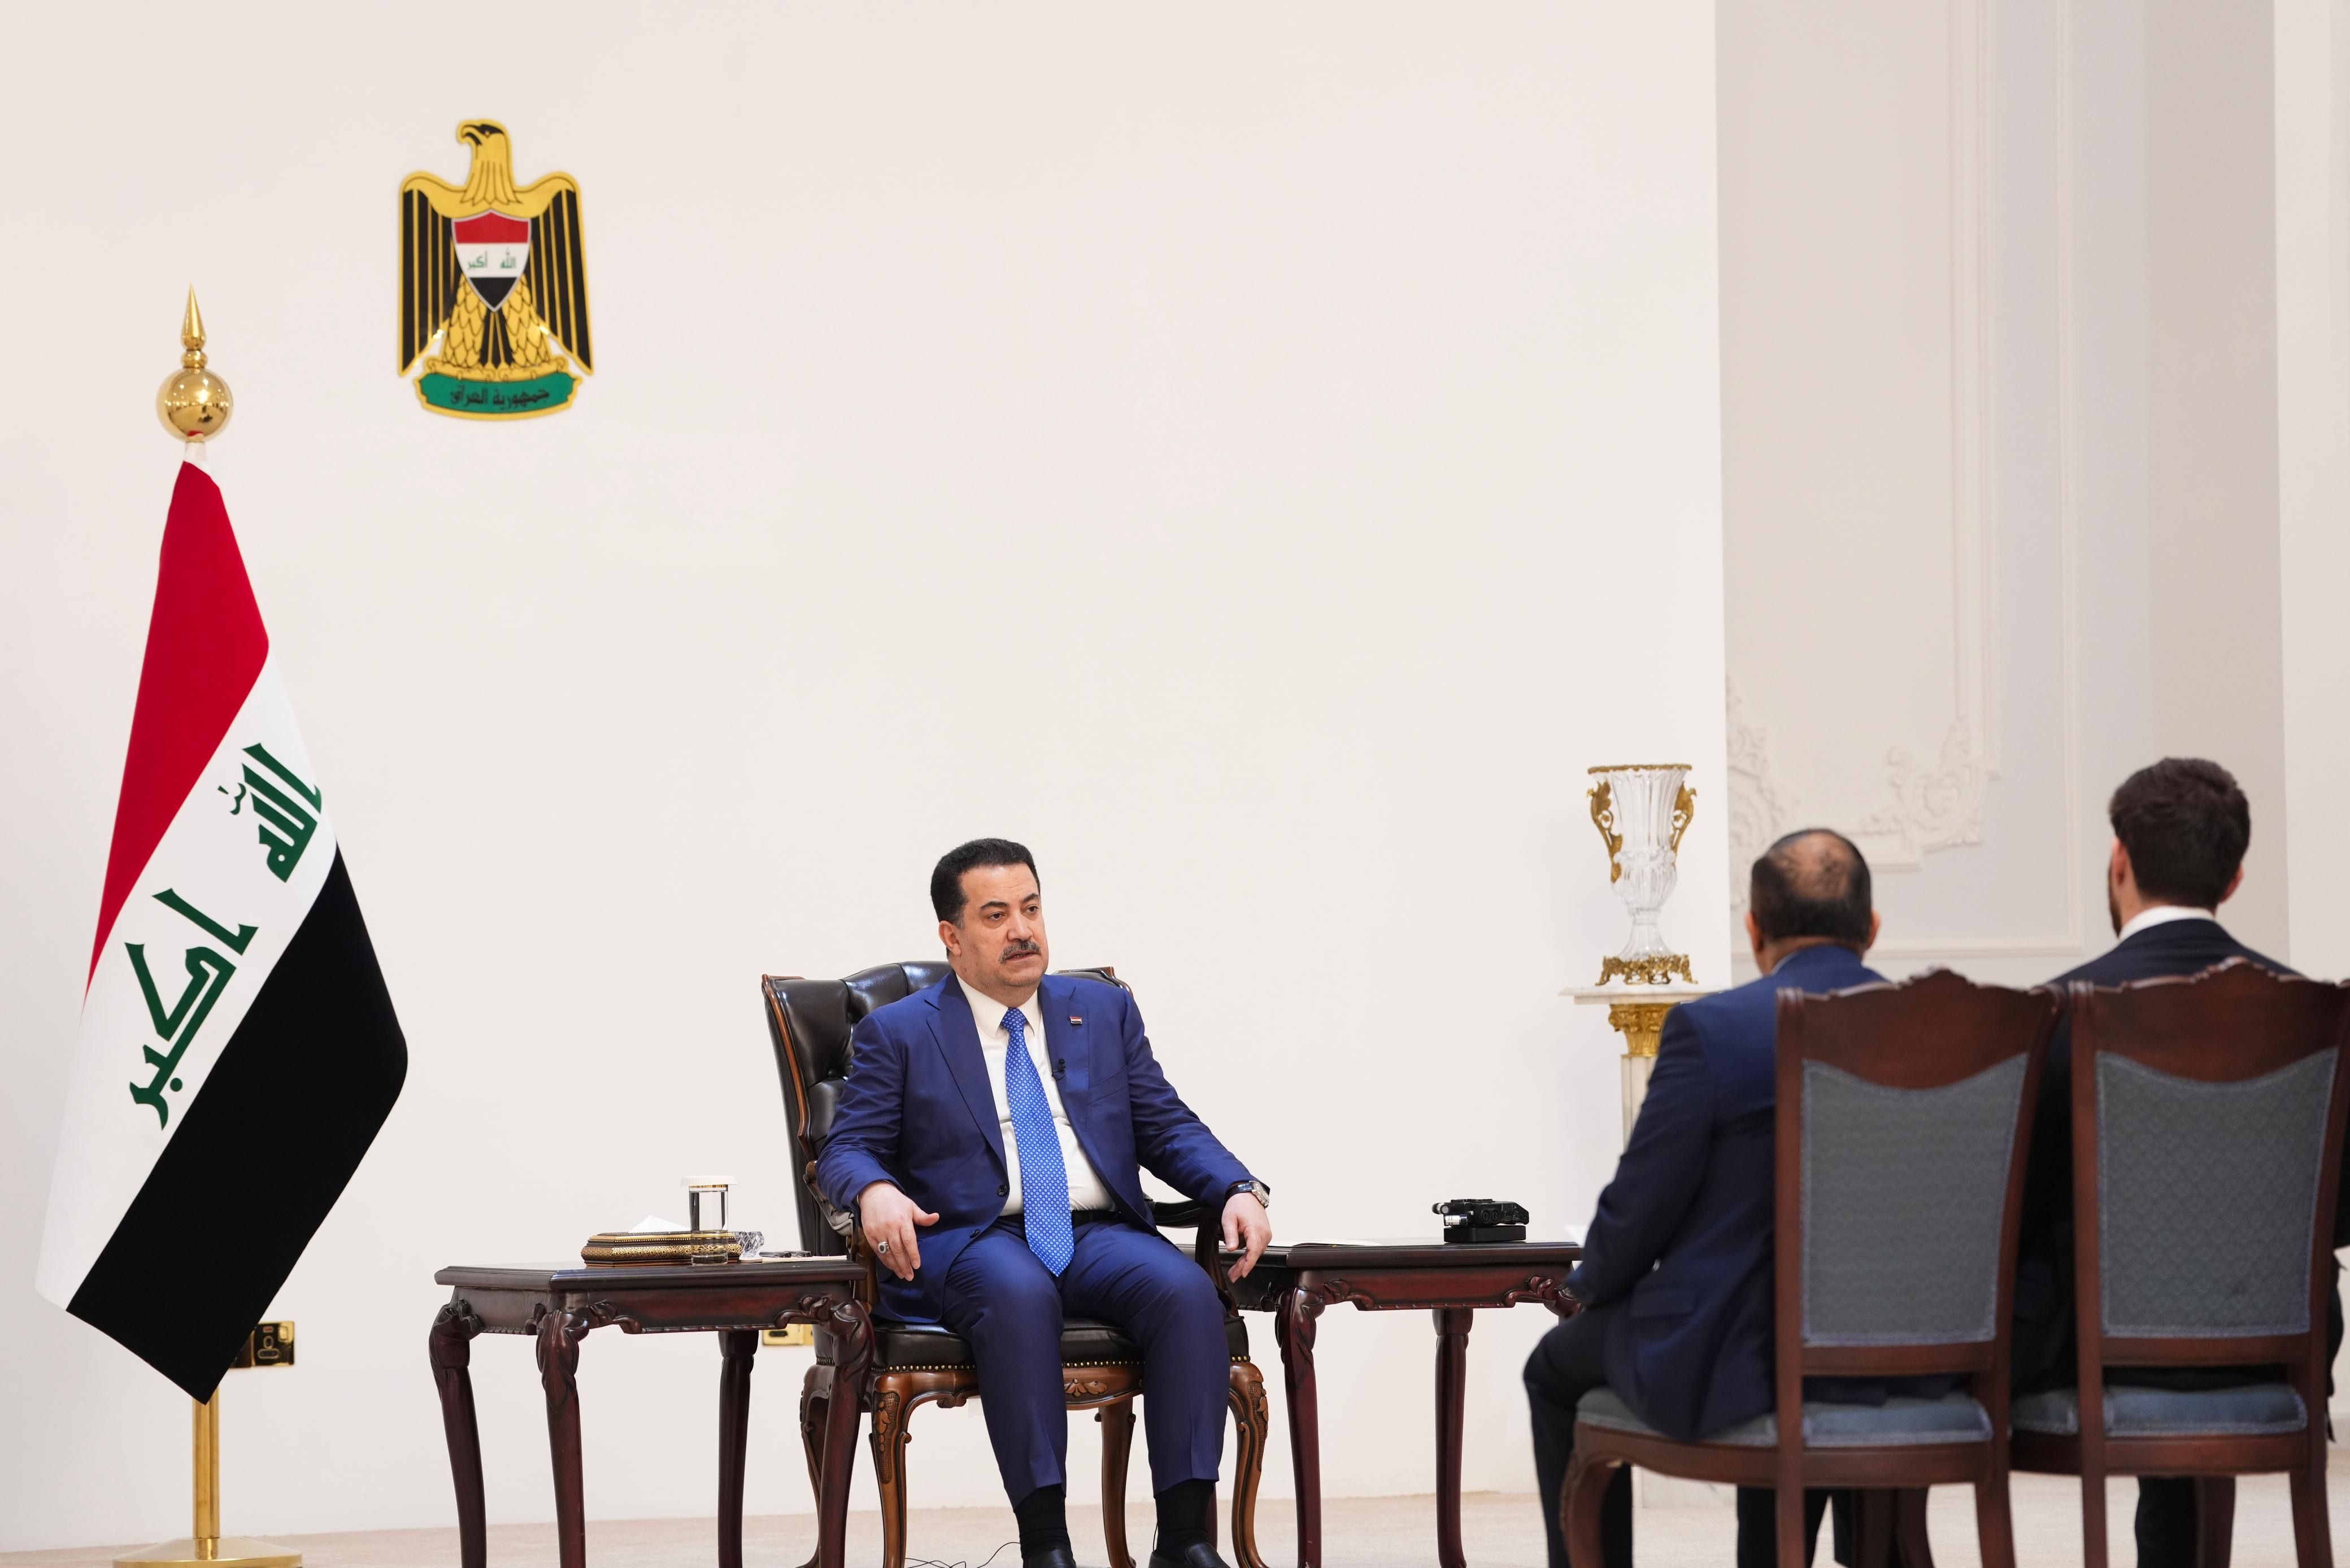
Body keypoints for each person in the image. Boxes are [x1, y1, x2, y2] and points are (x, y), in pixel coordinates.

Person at [816, 838, 1274, 1568]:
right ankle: (1046, 1547)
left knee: (1186, 1292)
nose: (1022, 930)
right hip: (976, 1240)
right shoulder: (899, 1032)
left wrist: (1236, 1188)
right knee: (1020, 1294)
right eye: (996, 915)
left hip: (1097, 1234)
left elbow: (1164, 1125)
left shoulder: (1103, 1010)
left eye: (1031, 909)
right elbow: (846, 1148)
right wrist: (875, 1190)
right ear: (952, 936)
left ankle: (1186, 1541)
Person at [1528, 829, 1908, 1568]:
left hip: (1742, 1351)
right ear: (1871, 928)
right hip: (1911, 1354)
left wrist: (1589, 1287)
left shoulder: (1716, 1030)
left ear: (1755, 931)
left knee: (1553, 1370)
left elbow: (1642, 1209)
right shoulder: (1946, 1032)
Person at [2012, 757, 2331, 1567]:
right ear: (2235, 877)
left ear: (2119, 859)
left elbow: (2011, 1208)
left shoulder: (2053, 1013)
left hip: (2090, 1353)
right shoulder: (2315, 1013)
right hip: (2274, 1352)